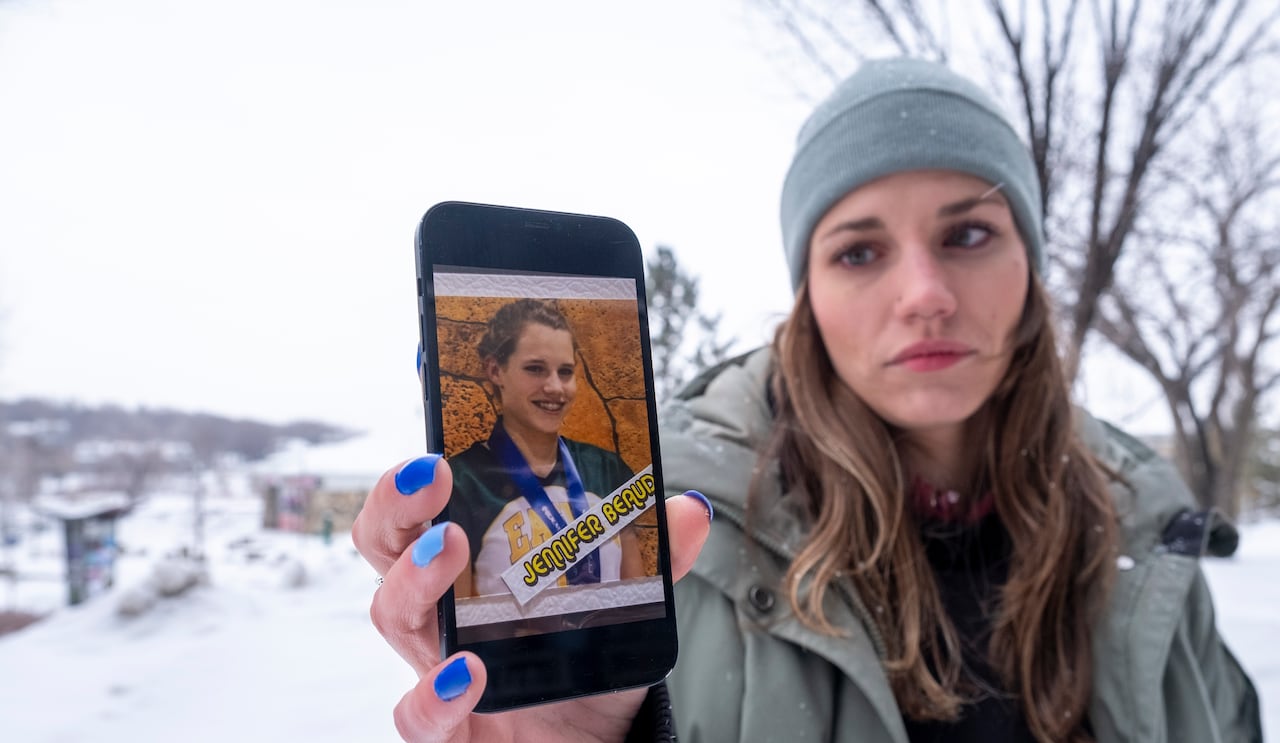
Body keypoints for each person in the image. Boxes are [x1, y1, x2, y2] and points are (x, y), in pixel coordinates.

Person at [352, 58, 1262, 742]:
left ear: (1030, 265)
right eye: (860, 251)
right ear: (808, 298)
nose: (924, 294)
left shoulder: (1146, 529)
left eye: (969, 234)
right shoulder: (679, 544)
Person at [445, 298, 644, 601]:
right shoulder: (461, 482)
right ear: (495, 370)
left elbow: (637, 600)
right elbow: (460, 612)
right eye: (535, 369)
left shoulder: (605, 469)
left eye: (565, 372)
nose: (555, 387)